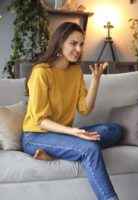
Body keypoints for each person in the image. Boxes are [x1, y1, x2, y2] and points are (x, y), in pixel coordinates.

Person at [21, 22, 122, 200]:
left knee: (114, 130)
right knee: (90, 149)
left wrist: (96, 80)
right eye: (73, 43)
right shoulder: (41, 72)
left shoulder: (75, 71)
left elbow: (84, 109)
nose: (78, 49)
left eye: (81, 44)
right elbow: (40, 120)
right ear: (60, 43)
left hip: (63, 134)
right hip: (35, 136)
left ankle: (59, 151)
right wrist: (74, 132)